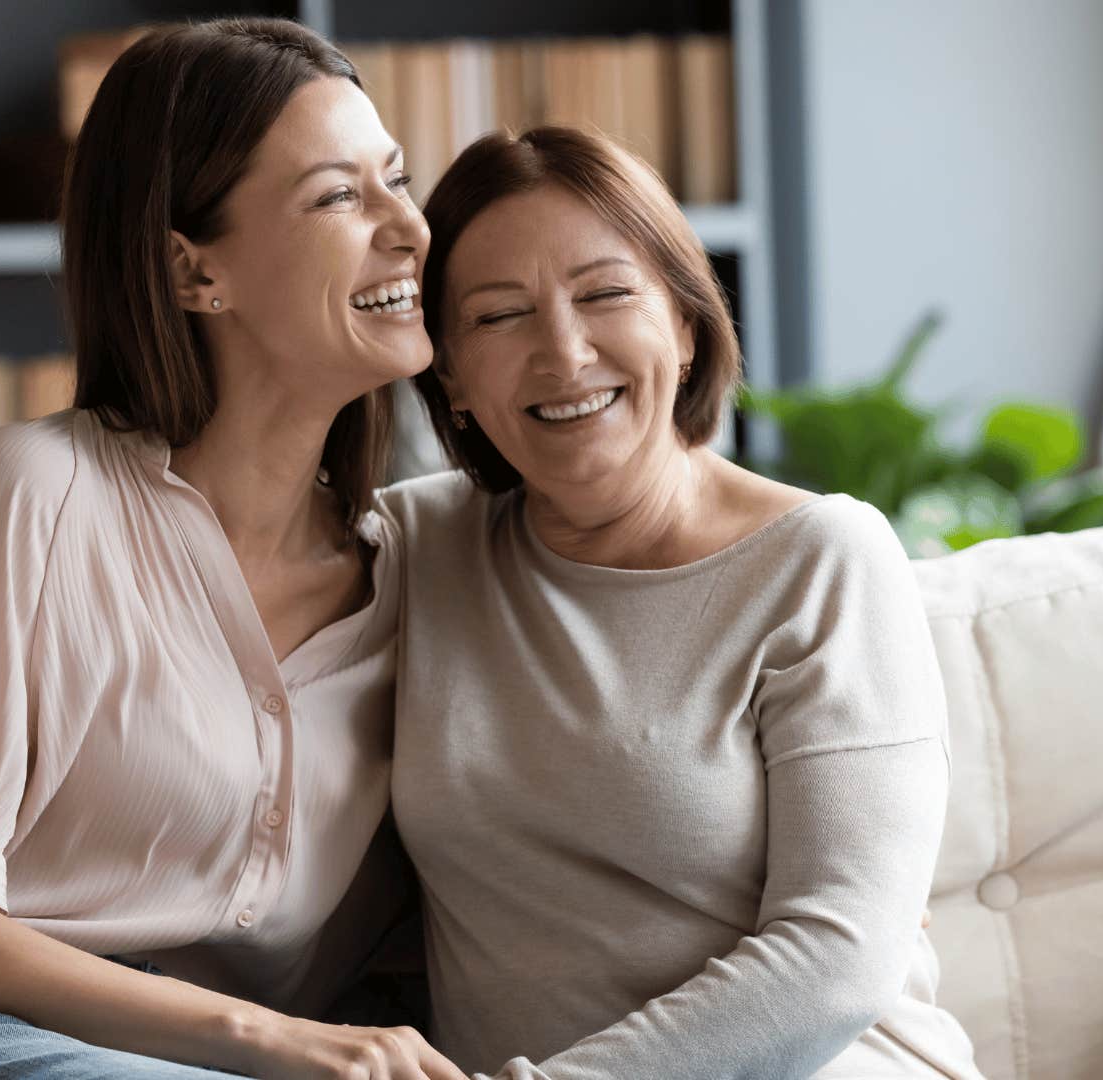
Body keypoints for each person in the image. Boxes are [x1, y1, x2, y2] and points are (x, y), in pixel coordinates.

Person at [0, 18, 463, 1080]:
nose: (410, 229)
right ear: (193, 274)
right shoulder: (39, 494)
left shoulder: (415, 572)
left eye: (397, 180)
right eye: (338, 196)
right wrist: (261, 1039)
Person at [376, 126, 988, 1080]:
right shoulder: (417, 551)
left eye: (607, 293)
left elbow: (838, 956)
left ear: (689, 323)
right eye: (499, 317)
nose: (564, 352)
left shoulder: (823, 560)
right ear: (448, 374)